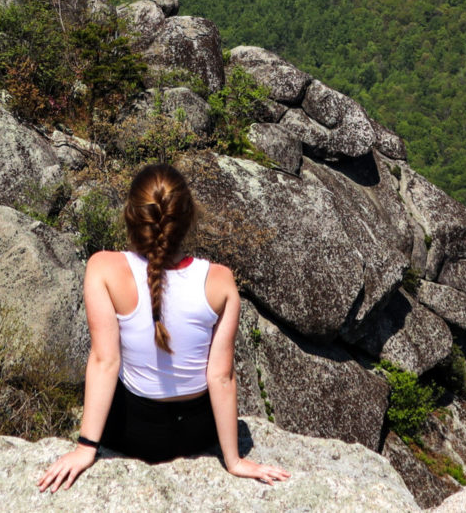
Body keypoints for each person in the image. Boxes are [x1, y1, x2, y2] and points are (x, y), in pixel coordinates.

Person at [35, 163, 292, 493]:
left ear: (130, 215)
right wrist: (234, 461)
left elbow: (105, 361)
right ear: (189, 218)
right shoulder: (220, 280)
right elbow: (221, 377)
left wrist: (86, 447)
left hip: (132, 432)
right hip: (198, 433)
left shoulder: (103, 268)